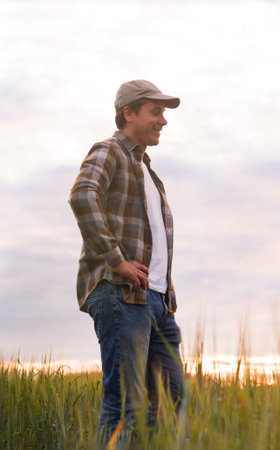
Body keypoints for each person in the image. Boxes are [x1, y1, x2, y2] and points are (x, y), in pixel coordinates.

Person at [69, 79, 184, 442]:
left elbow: (152, 236)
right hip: (123, 294)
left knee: (170, 400)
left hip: (157, 303)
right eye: (155, 112)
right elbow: (82, 196)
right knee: (125, 406)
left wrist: (166, 290)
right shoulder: (110, 151)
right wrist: (116, 261)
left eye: (163, 114)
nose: (163, 120)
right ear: (128, 113)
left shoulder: (148, 171)